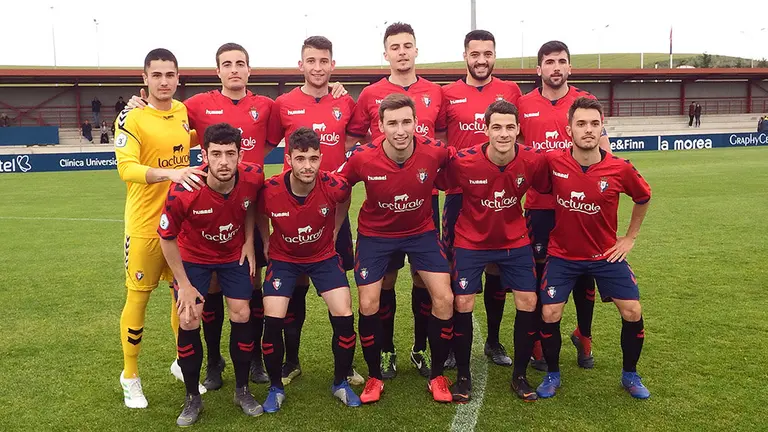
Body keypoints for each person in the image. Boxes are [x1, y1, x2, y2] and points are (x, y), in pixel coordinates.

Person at [124, 43, 348, 388]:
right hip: (210, 208)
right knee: (211, 288)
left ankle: (256, 359)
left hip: (253, 206)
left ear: (248, 70)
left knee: (252, 286)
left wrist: (335, 89)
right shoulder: (195, 105)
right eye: (226, 64)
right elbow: (166, 113)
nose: (233, 70)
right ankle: (214, 362)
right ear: (217, 71)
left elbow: (284, 135)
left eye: (240, 64)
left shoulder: (267, 106)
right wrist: (138, 103)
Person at [337, 93, 455, 404]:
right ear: (380, 126)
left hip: (421, 232)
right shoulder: (362, 156)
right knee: (368, 301)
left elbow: (468, 165)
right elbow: (335, 186)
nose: (400, 130)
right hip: (376, 235)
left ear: (417, 123)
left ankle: (436, 372)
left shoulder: (435, 151)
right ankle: (376, 373)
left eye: (406, 122)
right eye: (392, 123)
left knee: (444, 297)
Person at [345, 21, 444, 380]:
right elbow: (352, 140)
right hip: (382, 206)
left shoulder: (436, 91)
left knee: (424, 281)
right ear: (385, 53)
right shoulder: (370, 95)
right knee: (382, 283)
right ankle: (385, 350)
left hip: (424, 202)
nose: (402, 52)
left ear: (416, 50)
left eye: (407, 45)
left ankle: (420, 349)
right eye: (395, 47)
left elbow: (442, 143)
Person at [536, 97, 652, 400]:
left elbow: (643, 197)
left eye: (594, 124)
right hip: (562, 254)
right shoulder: (553, 162)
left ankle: (630, 374)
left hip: (605, 255)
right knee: (549, 312)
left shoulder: (619, 168)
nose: (588, 130)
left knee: (632, 310)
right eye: (581, 124)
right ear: (569, 129)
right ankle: (552, 373)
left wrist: (629, 238)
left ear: (602, 128)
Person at [265, 36, 362, 386]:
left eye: (324, 61)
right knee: (296, 287)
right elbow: (267, 145)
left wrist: (335, 226)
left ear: (332, 65)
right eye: (311, 61)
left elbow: (351, 143)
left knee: (338, 285)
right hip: (294, 208)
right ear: (300, 65)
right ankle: (291, 360)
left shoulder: (345, 102)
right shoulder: (284, 103)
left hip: (333, 209)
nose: (318, 67)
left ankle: (345, 366)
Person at [437, 100, 548, 403]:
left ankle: (520, 376)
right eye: (496, 127)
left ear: (518, 129)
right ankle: (462, 376)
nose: (503, 133)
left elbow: (550, 186)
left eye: (509, 127)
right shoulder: (464, 161)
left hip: (514, 240)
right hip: (471, 240)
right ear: (485, 130)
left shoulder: (532, 160)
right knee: (463, 302)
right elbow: (438, 180)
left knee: (528, 300)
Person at [114, 48, 207, 409]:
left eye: (170, 74)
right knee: (138, 297)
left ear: (178, 77)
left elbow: (192, 139)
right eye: (157, 75)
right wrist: (171, 173)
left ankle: (183, 362)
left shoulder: (183, 112)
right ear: (145, 79)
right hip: (144, 227)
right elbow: (127, 169)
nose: (164, 81)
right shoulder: (131, 117)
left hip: (182, 224)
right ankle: (130, 375)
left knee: (181, 293)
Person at [158, 123, 265, 426]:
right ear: (203, 154)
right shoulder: (185, 189)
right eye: (215, 154)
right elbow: (166, 237)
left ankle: (242, 390)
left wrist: (248, 241)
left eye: (230, 154)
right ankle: (193, 397)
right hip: (194, 259)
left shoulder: (253, 175)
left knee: (242, 313)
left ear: (240, 154)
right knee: (189, 317)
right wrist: (184, 283)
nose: (223, 162)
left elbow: (251, 203)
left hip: (233, 255)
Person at [516, 40, 611, 372]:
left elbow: (604, 150)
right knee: (541, 270)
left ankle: (583, 335)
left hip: (579, 206)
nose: (556, 67)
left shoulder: (585, 102)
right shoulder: (522, 103)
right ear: (538, 69)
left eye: (561, 61)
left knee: (586, 274)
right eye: (549, 61)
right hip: (540, 205)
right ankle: (541, 340)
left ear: (570, 67)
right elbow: (517, 152)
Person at [257, 127, 361, 413]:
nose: (307, 165)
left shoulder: (333, 185)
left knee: (344, 312)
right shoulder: (270, 188)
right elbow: (255, 210)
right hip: (284, 259)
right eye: (300, 158)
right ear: (288, 158)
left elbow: (346, 196)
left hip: (323, 256)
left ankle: (341, 382)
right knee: (273, 317)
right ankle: (276, 386)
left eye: (313, 159)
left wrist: (337, 229)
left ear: (321, 158)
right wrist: (265, 240)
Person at [436, 29, 523, 367]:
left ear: (494, 56)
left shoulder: (510, 90)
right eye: (475, 54)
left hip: (502, 194)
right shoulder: (448, 94)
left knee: (497, 269)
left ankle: (494, 340)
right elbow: (442, 140)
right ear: (465, 56)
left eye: (488, 53)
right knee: (459, 269)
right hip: (460, 194)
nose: (481, 60)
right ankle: (456, 348)